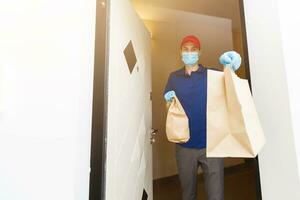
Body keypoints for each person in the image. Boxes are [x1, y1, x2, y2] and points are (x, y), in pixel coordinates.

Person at [163, 35, 241, 200]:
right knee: (188, 194)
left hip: (211, 144)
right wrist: (169, 103)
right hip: (184, 145)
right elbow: (169, 109)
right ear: (181, 52)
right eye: (186, 49)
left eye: (193, 49)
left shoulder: (211, 74)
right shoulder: (173, 78)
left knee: (216, 195)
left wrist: (231, 67)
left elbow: (230, 84)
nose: (189, 53)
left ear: (199, 52)